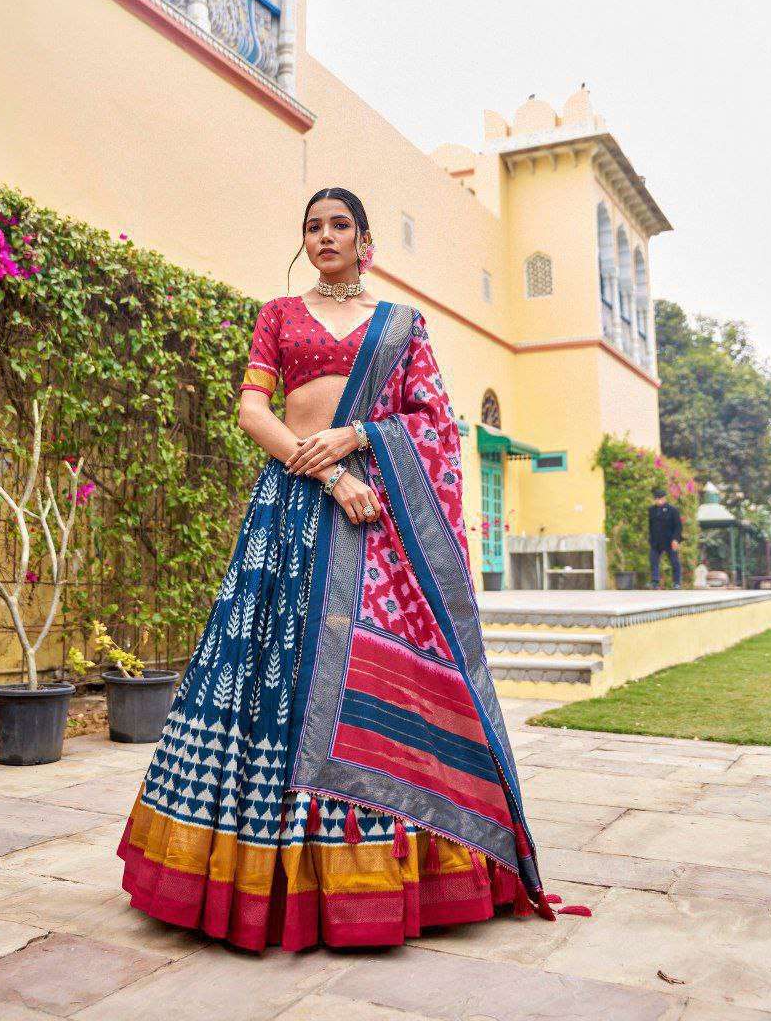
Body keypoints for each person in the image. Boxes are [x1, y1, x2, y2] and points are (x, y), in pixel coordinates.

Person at [116, 187, 555, 951]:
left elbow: (433, 424)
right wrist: (325, 470)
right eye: (313, 227)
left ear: (363, 240)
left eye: (339, 226)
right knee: (269, 680)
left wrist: (357, 436)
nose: (325, 236)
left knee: (373, 683)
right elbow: (254, 411)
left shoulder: (401, 326)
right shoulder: (279, 315)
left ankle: (390, 875)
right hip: (293, 510)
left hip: (374, 526)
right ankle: (259, 879)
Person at [649, 486, 682, 589]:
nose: (658, 501)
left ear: (664, 498)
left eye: (660, 498)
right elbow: (651, 525)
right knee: (653, 561)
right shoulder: (652, 510)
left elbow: (678, 526)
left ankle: (676, 582)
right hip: (656, 541)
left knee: (674, 561)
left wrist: (676, 539)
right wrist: (650, 539)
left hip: (669, 540)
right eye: (657, 498)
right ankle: (655, 582)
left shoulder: (672, 510)